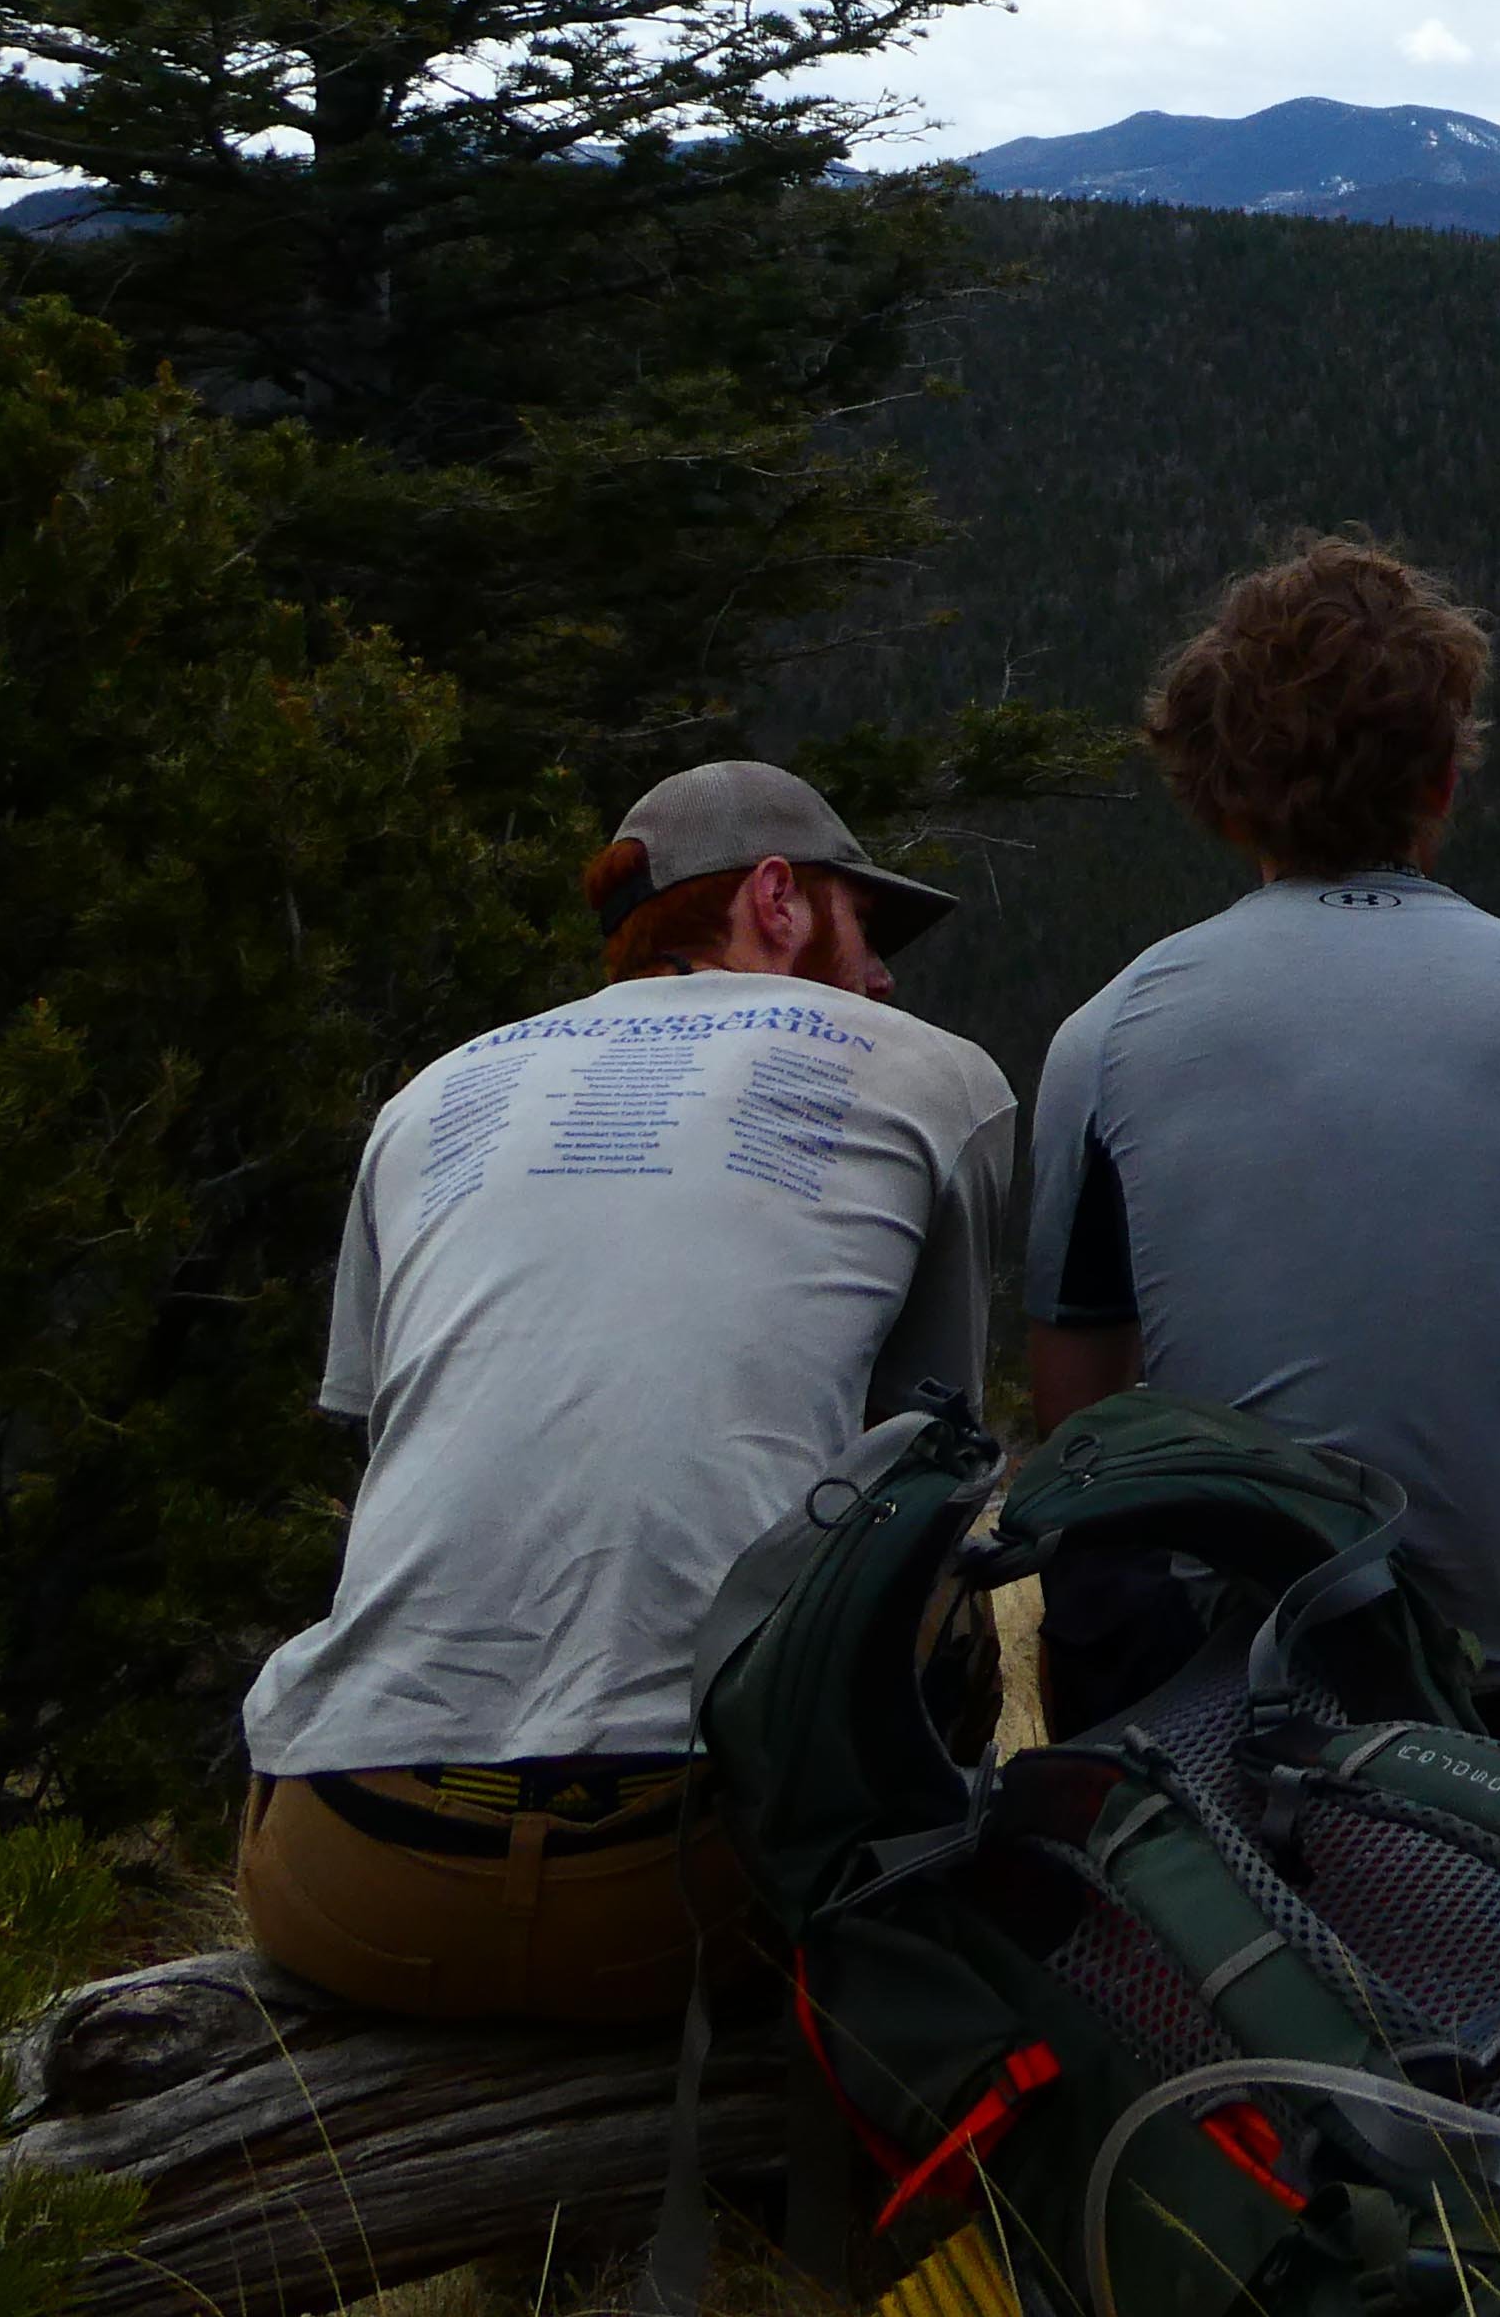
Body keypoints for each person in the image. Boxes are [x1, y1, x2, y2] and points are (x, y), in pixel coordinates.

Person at [234, 762, 1017, 2024]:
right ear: (777, 898)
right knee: (949, 1588)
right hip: (694, 1884)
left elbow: (391, 1446)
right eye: (863, 928)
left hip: (353, 1873)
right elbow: (923, 1465)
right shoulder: (932, 1073)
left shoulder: (430, 1097)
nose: (881, 977)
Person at [1024, 539, 1500, 1767]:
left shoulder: (1102, 1039)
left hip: (1197, 1703)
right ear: (1443, 780)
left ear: (1221, 791)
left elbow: (1081, 1431)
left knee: (1092, 1528)